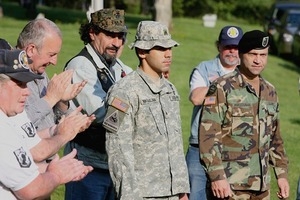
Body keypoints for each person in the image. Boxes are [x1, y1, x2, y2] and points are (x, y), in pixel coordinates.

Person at [103, 20, 190, 200]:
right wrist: (129, 195)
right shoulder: (123, 92)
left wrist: (182, 189)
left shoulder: (170, 90)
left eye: (170, 48)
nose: (168, 54)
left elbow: (175, 142)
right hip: (142, 194)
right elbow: (117, 149)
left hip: (173, 192)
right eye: (160, 48)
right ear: (142, 51)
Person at [199, 30, 289, 199]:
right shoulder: (222, 87)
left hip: (262, 187)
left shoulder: (270, 91)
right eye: (253, 54)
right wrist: (217, 176)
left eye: (263, 55)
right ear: (241, 55)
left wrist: (282, 174)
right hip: (230, 185)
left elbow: (275, 138)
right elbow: (208, 136)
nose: (258, 60)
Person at [0, 48, 93, 200]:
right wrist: (56, 174)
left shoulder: (7, 119)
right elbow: (31, 190)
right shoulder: (2, 131)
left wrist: (58, 168)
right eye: (19, 84)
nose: (27, 92)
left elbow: (15, 167)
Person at [63, 8, 132, 200]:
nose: (117, 43)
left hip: (111, 165)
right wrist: (133, 103)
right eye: (111, 35)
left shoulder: (117, 66)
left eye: (121, 37)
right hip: (86, 167)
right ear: (92, 33)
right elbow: (104, 116)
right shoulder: (81, 65)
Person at [16, 18, 89, 164]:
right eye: (51, 54)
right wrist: (50, 98)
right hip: (24, 165)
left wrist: (62, 101)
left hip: (45, 163)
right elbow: (17, 127)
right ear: (31, 50)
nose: (55, 62)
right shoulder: (7, 78)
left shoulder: (39, 71)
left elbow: (49, 118)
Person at [186, 25, 243, 200]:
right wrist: (224, 82)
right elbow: (196, 98)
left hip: (233, 148)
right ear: (218, 46)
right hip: (200, 148)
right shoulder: (204, 68)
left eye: (236, 47)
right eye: (227, 46)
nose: (232, 51)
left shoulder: (247, 71)